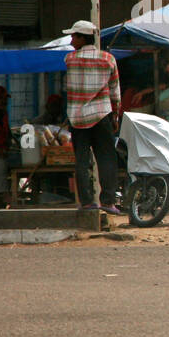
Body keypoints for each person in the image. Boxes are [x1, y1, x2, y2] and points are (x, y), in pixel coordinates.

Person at [63, 20, 123, 213]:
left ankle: (87, 201)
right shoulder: (108, 59)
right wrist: (115, 116)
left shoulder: (70, 59)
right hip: (101, 114)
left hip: (77, 117)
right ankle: (108, 201)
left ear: (82, 38)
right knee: (106, 158)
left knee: (81, 161)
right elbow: (115, 91)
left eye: (74, 36)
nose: (71, 39)